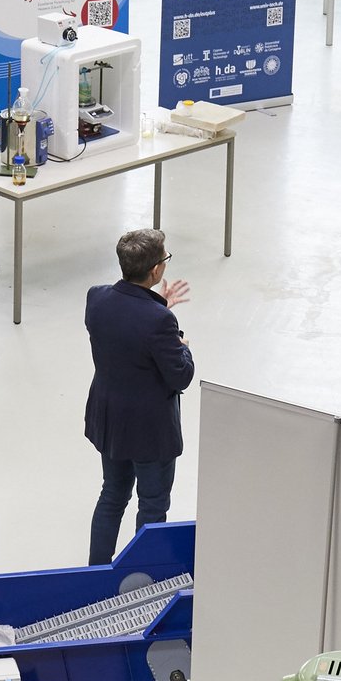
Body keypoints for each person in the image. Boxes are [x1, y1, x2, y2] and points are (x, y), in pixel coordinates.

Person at [84, 229, 195, 566]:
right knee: (152, 503)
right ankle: (140, 575)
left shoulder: (96, 298)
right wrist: (180, 344)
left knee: (112, 494)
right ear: (156, 271)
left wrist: (160, 307)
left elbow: (127, 327)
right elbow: (181, 376)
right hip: (149, 429)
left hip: (110, 420)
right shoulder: (159, 321)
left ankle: (96, 569)